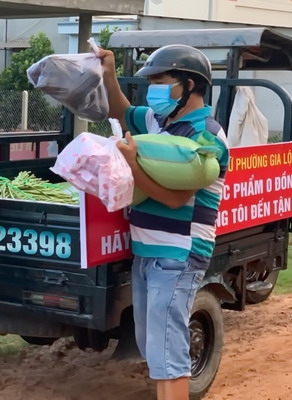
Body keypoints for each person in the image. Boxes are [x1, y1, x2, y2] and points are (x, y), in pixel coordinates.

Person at [96, 45, 229, 400]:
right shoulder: (161, 121)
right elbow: (120, 110)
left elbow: (175, 198)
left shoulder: (206, 135)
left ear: (188, 84)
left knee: (167, 351)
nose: (152, 88)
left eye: (160, 80)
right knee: (151, 345)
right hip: (147, 252)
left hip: (178, 254)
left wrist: (132, 166)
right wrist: (109, 74)